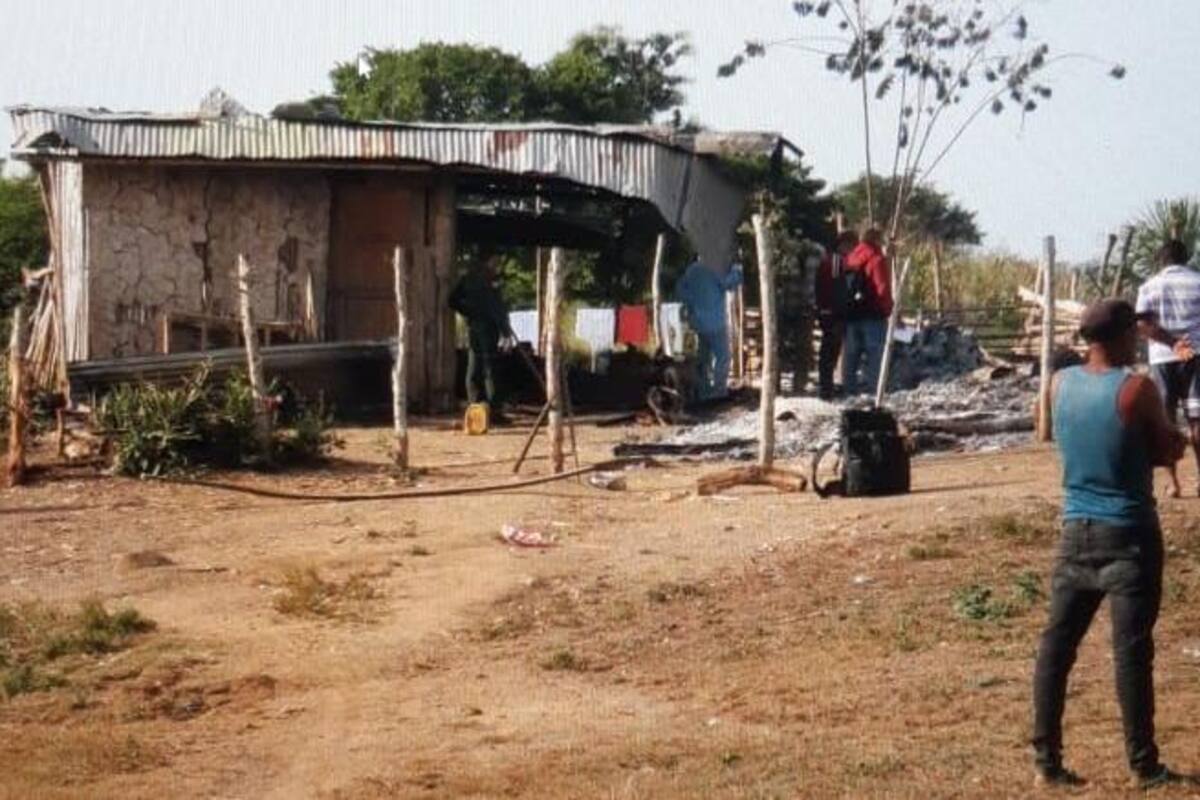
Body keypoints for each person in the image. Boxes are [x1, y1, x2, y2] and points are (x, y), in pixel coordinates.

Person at [1031, 299, 1188, 790]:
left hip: (1075, 530)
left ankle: (1046, 760)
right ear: (1122, 336)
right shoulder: (1135, 388)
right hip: (1129, 532)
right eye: (1136, 333)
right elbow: (1166, 448)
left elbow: (1047, 430)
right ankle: (1143, 764)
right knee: (1131, 652)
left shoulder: (1060, 384)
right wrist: (1178, 440)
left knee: (1057, 647)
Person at [1136, 239, 1200, 498]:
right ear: (1186, 259)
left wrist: (1173, 344)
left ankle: (1174, 483)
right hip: (1196, 354)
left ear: (1160, 261)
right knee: (1197, 418)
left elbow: (1143, 325)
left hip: (1163, 357)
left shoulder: (1149, 287)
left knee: (1166, 419)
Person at [449, 250, 515, 417]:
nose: (497, 264)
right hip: (487, 328)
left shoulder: (468, 278)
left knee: (474, 366)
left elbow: (452, 300)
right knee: (489, 367)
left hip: (474, 327)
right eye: (496, 260)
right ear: (489, 260)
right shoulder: (489, 280)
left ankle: (475, 407)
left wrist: (469, 312)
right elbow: (497, 308)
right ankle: (494, 411)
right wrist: (505, 331)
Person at [676, 258, 743, 401]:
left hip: (698, 322)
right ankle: (718, 390)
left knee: (703, 358)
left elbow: (681, 290)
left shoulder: (691, 269)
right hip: (715, 321)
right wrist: (738, 271)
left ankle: (703, 390)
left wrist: (693, 304)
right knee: (723, 356)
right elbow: (729, 284)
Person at [841, 228, 893, 395]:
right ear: (877, 240)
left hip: (852, 314)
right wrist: (888, 309)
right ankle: (874, 393)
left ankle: (849, 391)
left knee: (850, 357)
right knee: (876, 356)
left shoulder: (850, 259)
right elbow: (882, 288)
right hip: (873, 314)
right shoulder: (876, 259)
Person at [815, 231, 860, 400]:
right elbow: (836, 290)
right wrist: (838, 311)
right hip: (832, 314)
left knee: (830, 352)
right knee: (829, 352)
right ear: (844, 244)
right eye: (853, 246)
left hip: (829, 312)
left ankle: (826, 389)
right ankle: (825, 391)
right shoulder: (835, 262)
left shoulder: (832, 261)